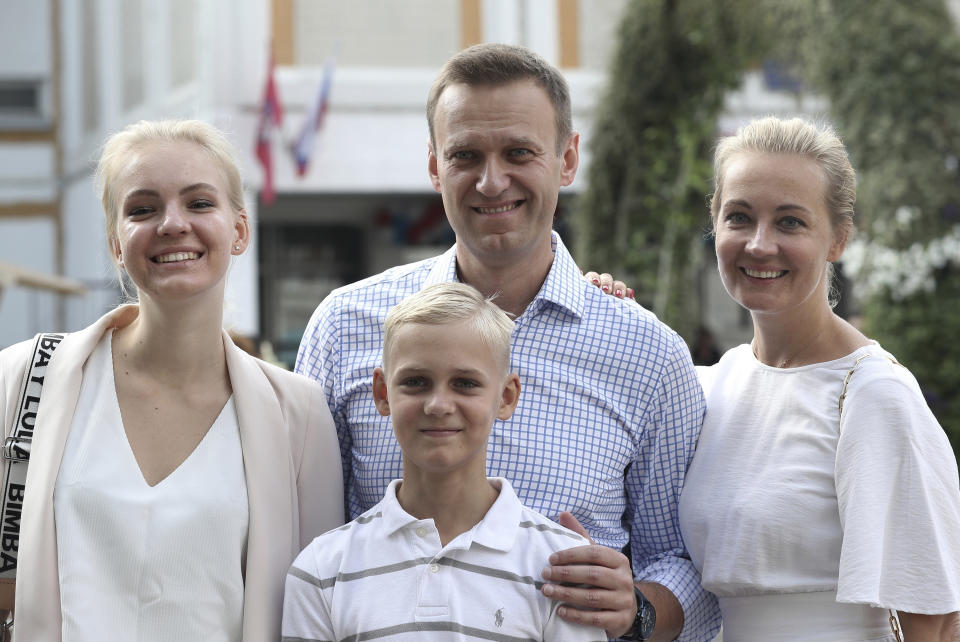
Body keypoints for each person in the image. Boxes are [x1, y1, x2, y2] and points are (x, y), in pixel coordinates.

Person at [296, 43, 718, 641]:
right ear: (435, 166)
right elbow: (307, 539)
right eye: (465, 155)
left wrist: (638, 610)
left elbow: (691, 564)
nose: (492, 182)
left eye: (519, 152)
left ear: (567, 159)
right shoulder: (346, 326)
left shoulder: (647, 354)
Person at [0, 119, 344, 640]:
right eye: (143, 209)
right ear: (117, 244)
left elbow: (314, 610)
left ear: (239, 230)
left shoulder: (298, 411)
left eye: (200, 203)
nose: (172, 224)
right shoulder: (24, 377)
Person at [676, 116, 960, 640]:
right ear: (715, 224)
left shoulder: (874, 396)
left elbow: (936, 620)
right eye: (739, 217)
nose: (760, 245)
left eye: (790, 222)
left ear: (838, 240)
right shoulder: (713, 384)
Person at [283, 282, 606, 641]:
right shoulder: (323, 569)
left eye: (465, 383)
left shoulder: (561, 565)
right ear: (382, 392)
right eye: (416, 381)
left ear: (506, 396)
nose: (438, 405)